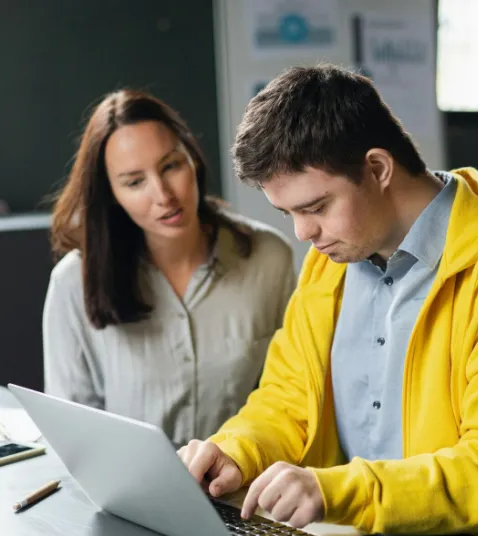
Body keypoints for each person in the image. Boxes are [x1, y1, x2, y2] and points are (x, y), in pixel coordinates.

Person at [177, 65, 478, 536]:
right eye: (287, 213)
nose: (302, 233)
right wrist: (237, 450)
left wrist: (337, 491)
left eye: (315, 206)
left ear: (378, 169)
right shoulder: (329, 265)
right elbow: (287, 401)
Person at [44, 90, 295, 444]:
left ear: (193, 158)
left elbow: (289, 397)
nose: (163, 195)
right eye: (134, 182)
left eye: (170, 166)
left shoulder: (268, 256)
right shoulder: (74, 282)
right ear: (111, 194)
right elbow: (69, 431)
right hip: (128, 493)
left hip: (244, 489)